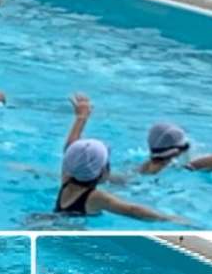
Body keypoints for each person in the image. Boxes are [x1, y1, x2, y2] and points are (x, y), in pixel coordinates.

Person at [55, 95, 185, 223]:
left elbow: (69, 149)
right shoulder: (95, 197)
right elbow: (132, 210)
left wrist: (81, 118)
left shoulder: (67, 181)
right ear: (103, 172)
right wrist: (167, 218)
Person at [138, 123, 212, 175]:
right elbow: (196, 165)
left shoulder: (140, 170)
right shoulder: (176, 171)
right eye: (186, 146)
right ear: (176, 152)